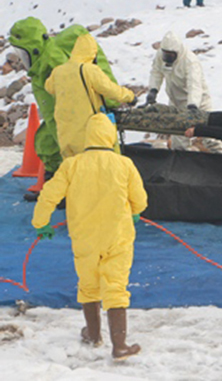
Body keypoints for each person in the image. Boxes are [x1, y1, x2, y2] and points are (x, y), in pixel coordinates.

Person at [32, 113, 148, 360]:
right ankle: (120, 345)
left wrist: (41, 223)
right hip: (117, 235)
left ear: (88, 138)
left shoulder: (72, 165)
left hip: (84, 237)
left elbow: (49, 195)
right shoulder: (123, 163)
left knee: (88, 284)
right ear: (110, 136)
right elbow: (140, 198)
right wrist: (136, 212)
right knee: (115, 285)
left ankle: (93, 335)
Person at [8, 17, 119, 199]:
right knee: (46, 144)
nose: (21, 59)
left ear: (33, 48)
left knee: (81, 156)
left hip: (75, 126)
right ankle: (57, 190)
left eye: (22, 53)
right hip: (58, 122)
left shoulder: (55, 63)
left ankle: (88, 196)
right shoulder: (42, 65)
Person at [45, 34, 135, 159]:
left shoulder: (59, 71)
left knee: (71, 168)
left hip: (65, 131)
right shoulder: (89, 70)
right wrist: (129, 96)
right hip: (87, 129)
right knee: (97, 164)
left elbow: (48, 87)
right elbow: (110, 90)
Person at [146, 31, 213, 150]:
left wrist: (193, 105)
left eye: (170, 55)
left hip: (199, 104)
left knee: (210, 139)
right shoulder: (160, 56)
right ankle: (184, 165)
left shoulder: (190, 61)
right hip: (177, 104)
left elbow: (194, 85)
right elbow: (156, 72)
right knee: (179, 142)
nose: (167, 58)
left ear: (177, 52)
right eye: (165, 54)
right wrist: (153, 90)